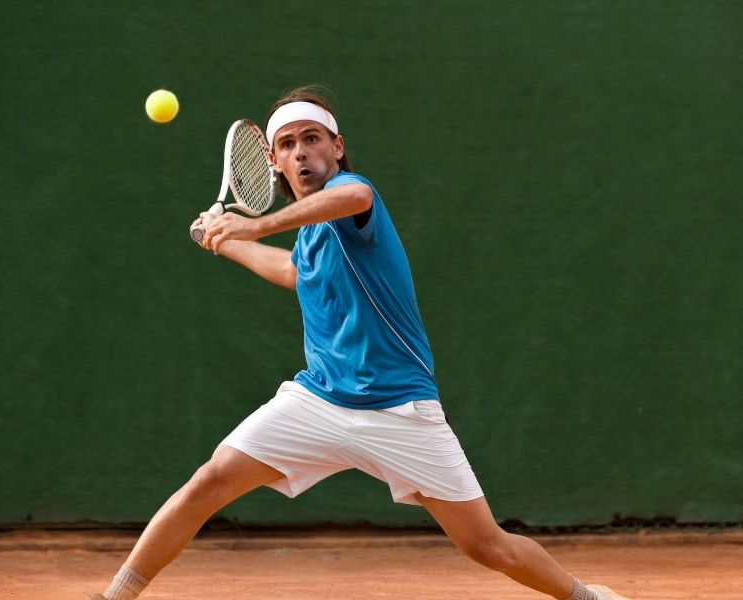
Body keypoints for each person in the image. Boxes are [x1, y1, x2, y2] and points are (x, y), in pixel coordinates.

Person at [87, 86, 630, 600]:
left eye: (313, 138)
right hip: (317, 401)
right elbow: (295, 273)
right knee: (209, 481)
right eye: (288, 144)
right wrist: (225, 240)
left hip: (401, 409)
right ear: (273, 161)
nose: (301, 152)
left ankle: (584, 596)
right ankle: (116, 595)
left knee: (486, 546)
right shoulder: (309, 234)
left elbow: (353, 196)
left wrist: (254, 226)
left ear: (337, 147)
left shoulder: (352, 199)